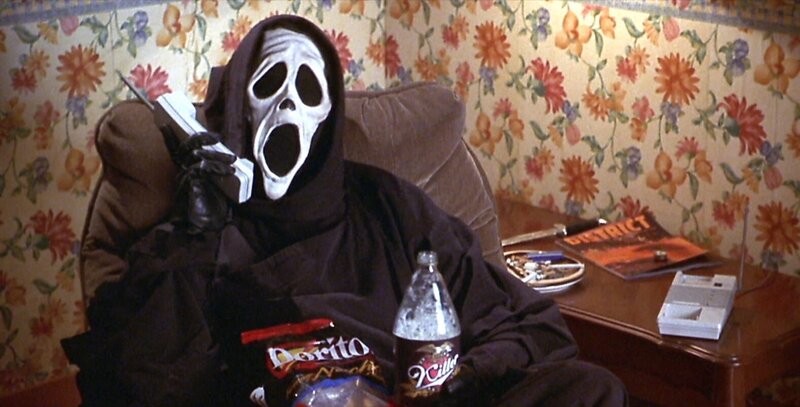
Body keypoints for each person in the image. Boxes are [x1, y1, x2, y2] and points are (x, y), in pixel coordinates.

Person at [63, 14, 627, 407]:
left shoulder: (389, 205)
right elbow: (139, 384)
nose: (289, 102)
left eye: (309, 88)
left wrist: (460, 380)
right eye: (270, 83)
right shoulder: (198, 233)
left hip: (418, 396)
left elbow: (526, 323)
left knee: (590, 388)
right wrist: (196, 235)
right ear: (238, 105)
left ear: (328, 115)